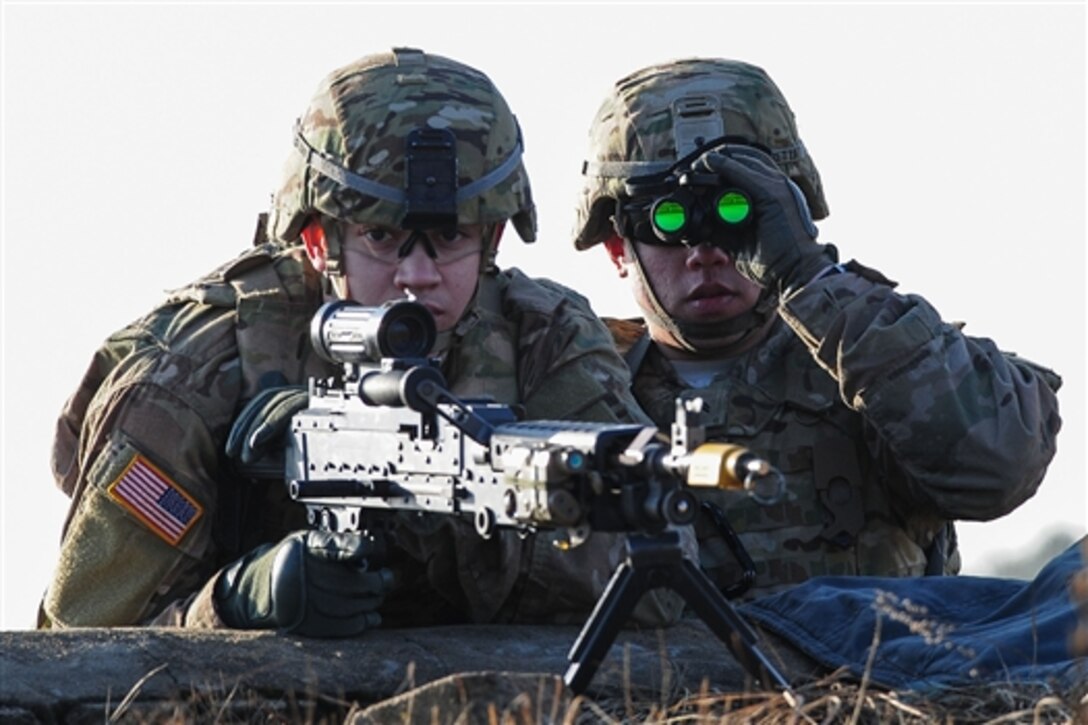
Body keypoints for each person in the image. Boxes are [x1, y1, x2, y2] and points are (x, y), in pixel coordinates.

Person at [40, 48, 685, 635]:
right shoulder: (196, 372)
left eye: (452, 237)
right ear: (320, 241)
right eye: (381, 237)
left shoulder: (545, 337)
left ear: (492, 241)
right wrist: (237, 603)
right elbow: (74, 646)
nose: (417, 274)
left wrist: (459, 523)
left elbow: (660, 587)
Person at [572, 58, 1063, 600]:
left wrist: (806, 274)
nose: (703, 252)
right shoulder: (578, 386)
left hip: (862, 681)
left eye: (738, 211)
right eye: (667, 222)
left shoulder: (876, 362)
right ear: (618, 246)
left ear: (791, 212)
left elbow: (998, 466)